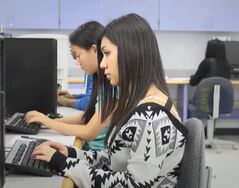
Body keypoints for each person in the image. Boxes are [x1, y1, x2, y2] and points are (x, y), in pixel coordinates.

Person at [31, 14, 187, 188]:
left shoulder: (150, 117)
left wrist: (63, 164)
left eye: (107, 53)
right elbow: (114, 161)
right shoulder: (143, 103)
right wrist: (70, 153)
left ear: (131, 52)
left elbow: (132, 184)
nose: (103, 64)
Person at [25, 21, 108, 151]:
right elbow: (88, 116)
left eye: (78, 56)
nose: (77, 62)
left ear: (94, 50)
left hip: (96, 153)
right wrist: (46, 122)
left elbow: (89, 131)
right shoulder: (100, 80)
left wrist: (48, 122)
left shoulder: (112, 84)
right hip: (91, 149)